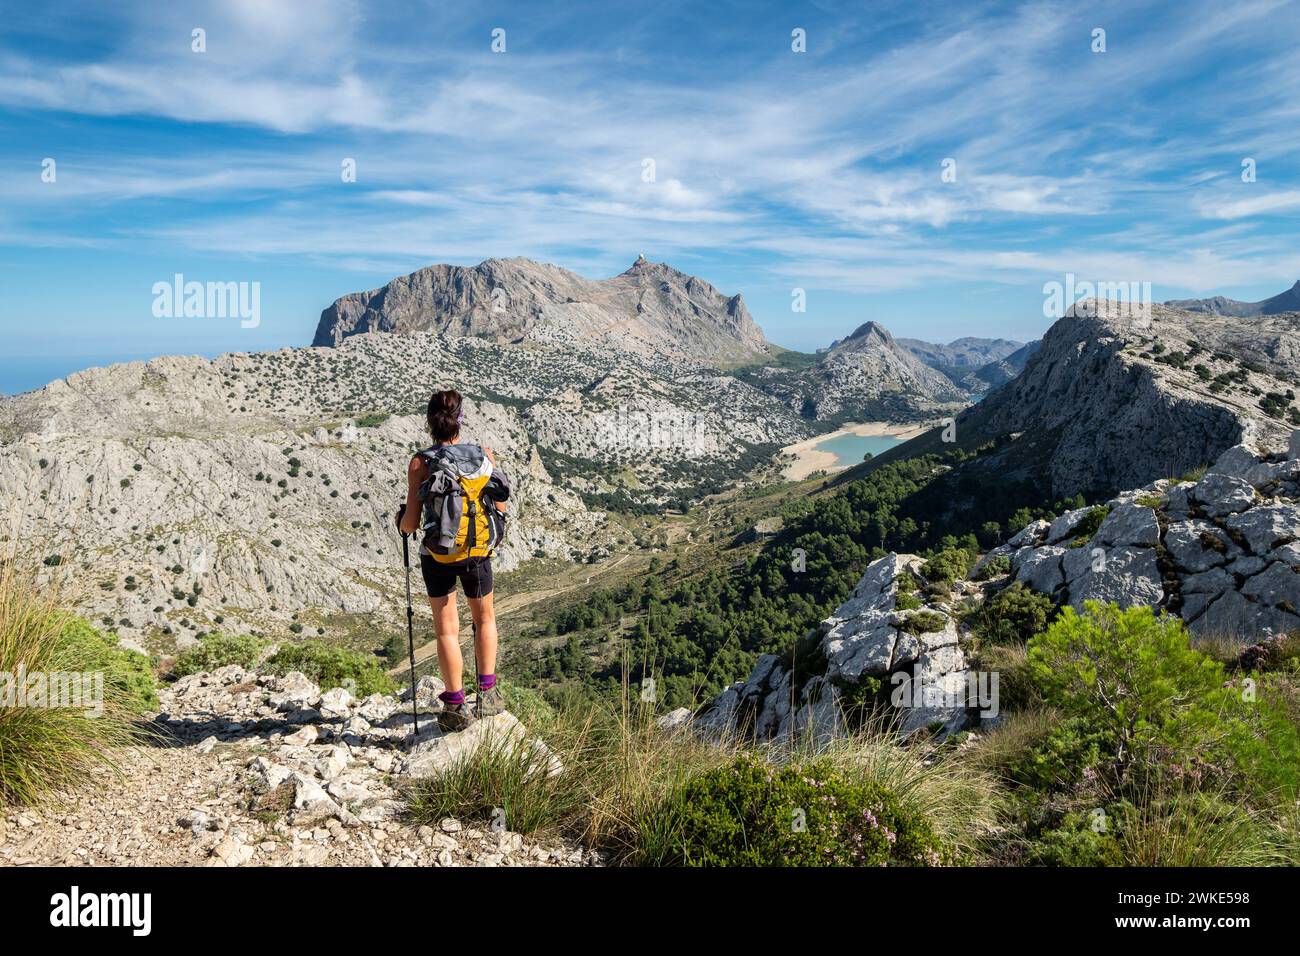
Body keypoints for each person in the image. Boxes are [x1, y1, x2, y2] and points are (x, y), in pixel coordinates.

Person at [398, 389, 510, 731]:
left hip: (438, 556)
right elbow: (500, 505)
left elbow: (411, 524)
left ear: (430, 421)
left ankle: (455, 705)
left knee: (447, 629)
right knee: (485, 619)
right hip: (477, 551)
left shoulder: (421, 462)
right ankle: (488, 695)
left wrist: (400, 519)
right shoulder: (483, 456)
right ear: (460, 419)